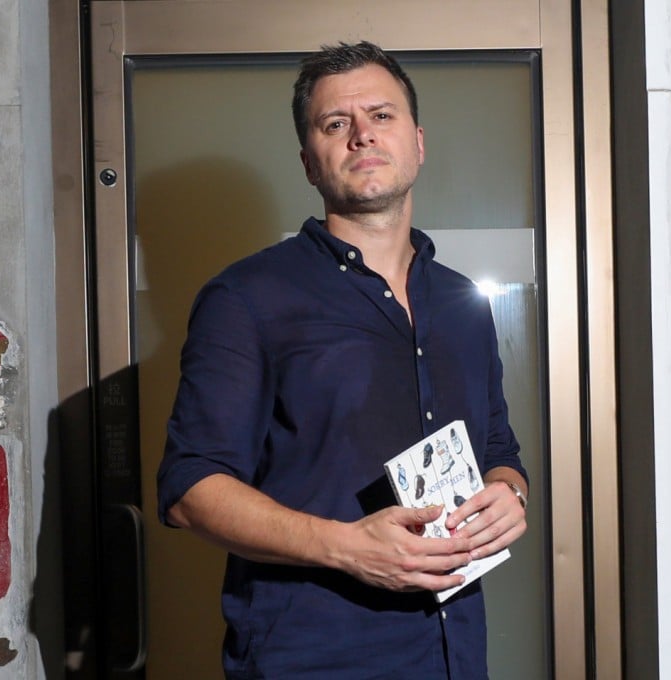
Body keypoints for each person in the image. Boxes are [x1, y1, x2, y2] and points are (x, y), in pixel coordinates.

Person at [156, 40, 529, 679]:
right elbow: (190, 489)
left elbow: (498, 448)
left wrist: (508, 495)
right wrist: (348, 548)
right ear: (309, 162)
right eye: (337, 124)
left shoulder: (464, 302)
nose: (362, 135)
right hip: (312, 659)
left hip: (456, 654)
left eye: (381, 116)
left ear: (417, 140)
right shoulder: (246, 298)